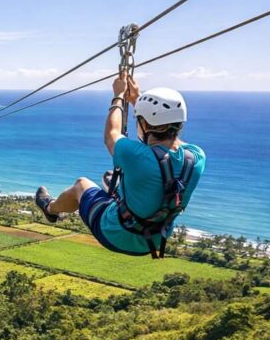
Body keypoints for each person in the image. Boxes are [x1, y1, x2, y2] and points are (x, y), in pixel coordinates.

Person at [34, 73, 205, 257]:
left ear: (144, 123)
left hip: (115, 233)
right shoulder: (196, 157)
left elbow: (111, 134)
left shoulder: (136, 155)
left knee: (81, 185)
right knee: (120, 178)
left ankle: (50, 208)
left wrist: (118, 96)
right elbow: (166, 154)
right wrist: (138, 101)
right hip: (155, 239)